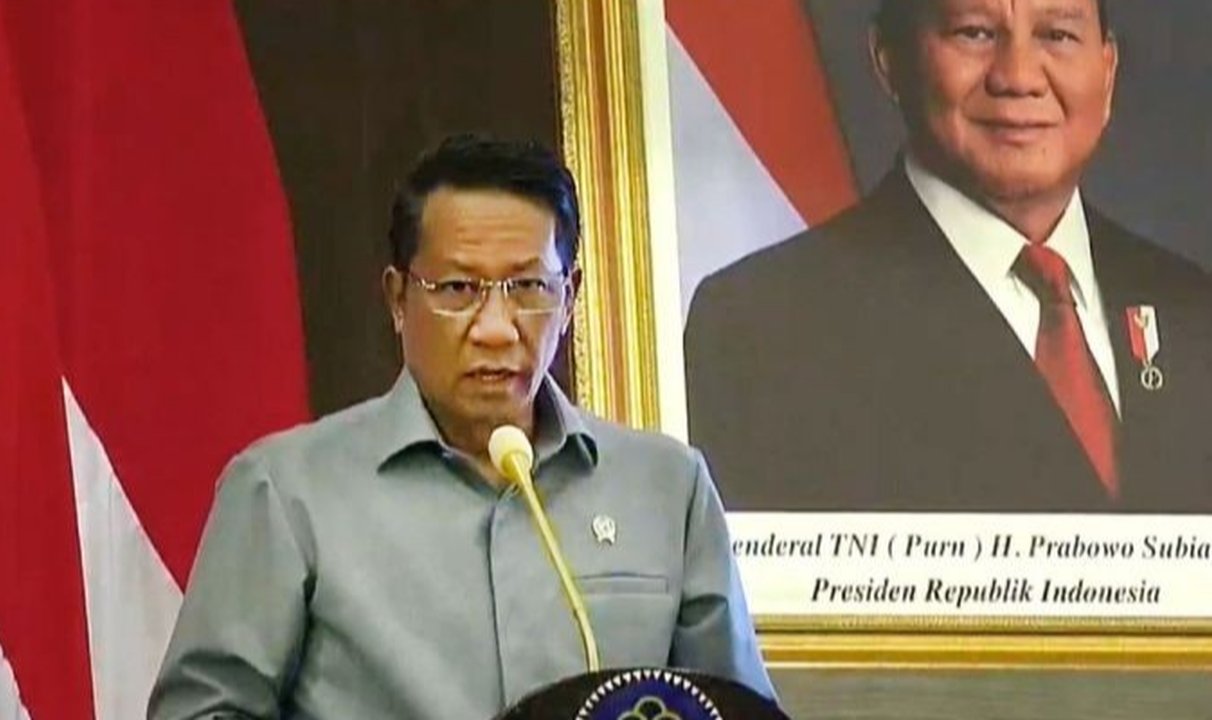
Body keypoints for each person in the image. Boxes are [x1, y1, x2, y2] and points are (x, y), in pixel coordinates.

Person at [149, 135, 775, 718]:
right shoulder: (285, 489)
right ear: (398, 299)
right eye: (457, 288)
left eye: (529, 286)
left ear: (570, 298)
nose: (496, 328)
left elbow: (732, 708)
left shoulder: (667, 487)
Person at [685, 0, 1212, 513]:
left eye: (1058, 34)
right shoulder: (762, 328)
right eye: (974, 33)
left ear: (1108, 69)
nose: (1018, 78)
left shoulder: (1203, 321)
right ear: (889, 59)